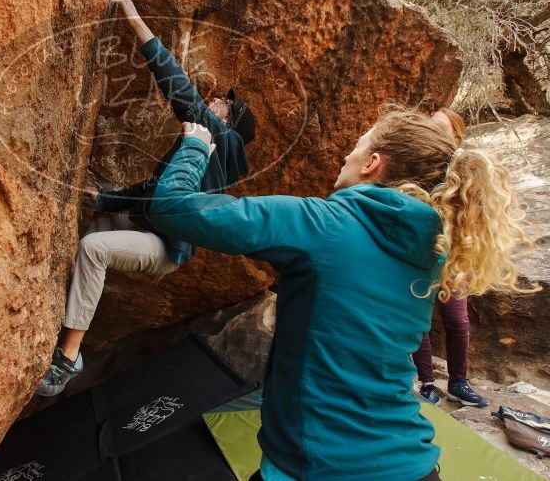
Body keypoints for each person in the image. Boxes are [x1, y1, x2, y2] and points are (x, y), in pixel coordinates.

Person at [148, 109, 532, 480]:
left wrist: (196, 145)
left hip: (320, 462)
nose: (347, 153)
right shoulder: (432, 251)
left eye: (357, 145)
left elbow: (171, 208)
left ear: (372, 163)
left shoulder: (321, 225)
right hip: (410, 460)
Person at [35, 0, 256, 396]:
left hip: (165, 248)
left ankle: (68, 359)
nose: (216, 100)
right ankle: (68, 317)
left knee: (94, 247)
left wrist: (135, 19)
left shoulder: (218, 136)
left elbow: (175, 83)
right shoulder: (203, 146)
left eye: (224, 103)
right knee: (98, 226)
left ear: (229, 123)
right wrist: (101, 199)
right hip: (150, 225)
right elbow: (152, 193)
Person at [413, 107, 488, 407]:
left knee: (457, 321)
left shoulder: (464, 169)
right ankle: (427, 382)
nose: (433, 131)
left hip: (454, 255)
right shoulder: (417, 164)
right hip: (421, 255)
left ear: (456, 135)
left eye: (441, 128)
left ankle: (458, 382)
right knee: (419, 322)